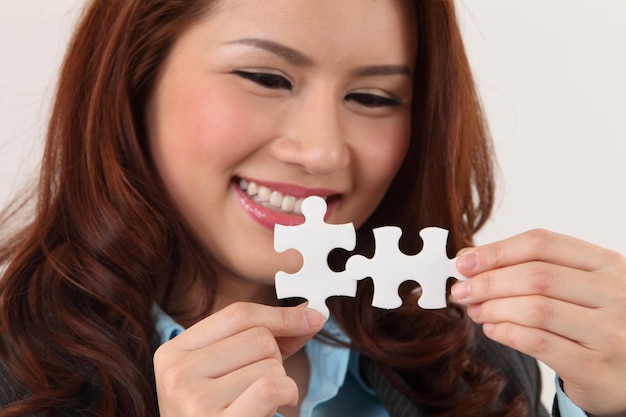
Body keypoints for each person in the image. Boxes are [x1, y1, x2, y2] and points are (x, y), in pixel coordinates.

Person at [0, 0, 624, 416]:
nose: (323, 153)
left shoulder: (478, 360)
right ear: (136, 78)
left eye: (374, 96)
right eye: (267, 78)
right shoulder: (14, 378)